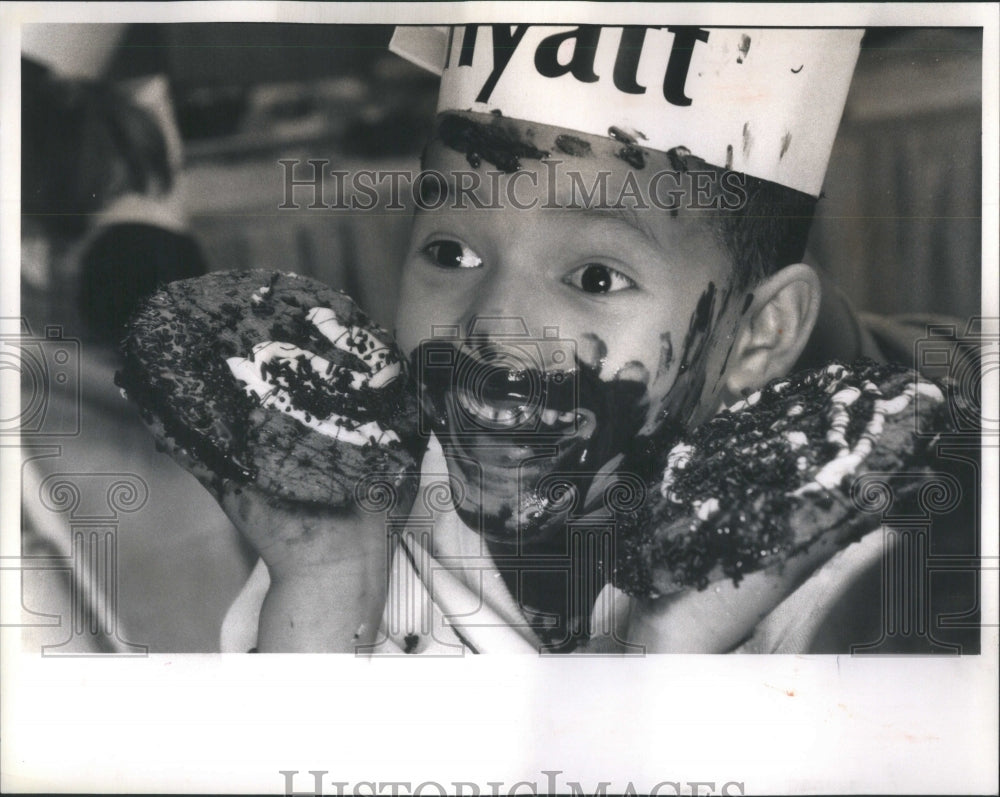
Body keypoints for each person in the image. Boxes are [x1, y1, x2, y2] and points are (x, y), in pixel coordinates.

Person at [218, 26, 962, 654]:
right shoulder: (361, 534)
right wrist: (320, 588)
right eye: (452, 253)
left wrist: (672, 652)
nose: (492, 330)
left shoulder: (839, 596)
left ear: (759, 335)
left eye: (596, 277)